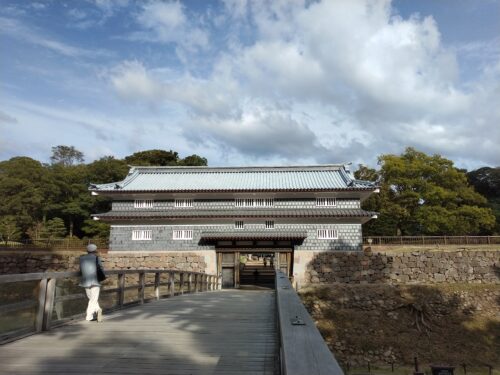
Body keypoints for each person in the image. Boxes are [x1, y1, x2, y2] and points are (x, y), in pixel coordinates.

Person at [79, 244, 104, 322]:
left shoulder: (81, 258)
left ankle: (98, 310)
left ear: (87, 250)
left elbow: (80, 269)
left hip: (85, 281)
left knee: (91, 299)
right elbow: (101, 268)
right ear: (95, 250)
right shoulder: (97, 258)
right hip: (95, 280)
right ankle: (89, 316)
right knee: (93, 299)